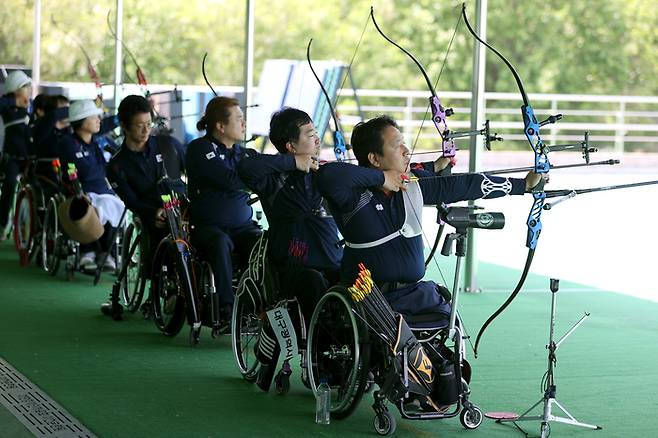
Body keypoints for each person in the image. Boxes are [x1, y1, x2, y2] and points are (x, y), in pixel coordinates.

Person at [316, 115, 545, 320]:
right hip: (367, 299)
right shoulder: (351, 195)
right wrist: (381, 179)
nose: (407, 150)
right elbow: (327, 174)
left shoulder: (413, 183)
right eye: (397, 146)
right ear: (375, 159)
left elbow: (464, 185)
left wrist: (522, 185)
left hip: (413, 296)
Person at [237, 107, 341, 320]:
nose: (318, 140)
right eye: (310, 135)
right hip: (295, 266)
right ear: (291, 146)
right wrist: (294, 162)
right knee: (313, 282)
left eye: (316, 134)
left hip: (333, 261)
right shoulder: (273, 180)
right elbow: (246, 167)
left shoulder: (324, 173)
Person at [185, 96, 262, 332]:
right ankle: (227, 310)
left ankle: (259, 308)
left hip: (243, 227)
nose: (244, 123)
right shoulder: (199, 148)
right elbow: (229, 179)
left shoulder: (243, 153)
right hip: (209, 228)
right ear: (221, 126)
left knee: (261, 244)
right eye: (238, 119)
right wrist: (253, 178)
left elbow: (263, 173)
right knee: (220, 243)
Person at [107, 95, 187, 280]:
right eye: (139, 125)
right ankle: (167, 283)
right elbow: (131, 201)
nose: (146, 130)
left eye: (149, 124)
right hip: (154, 215)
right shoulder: (117, 165)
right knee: (163, 236)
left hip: (182, 208)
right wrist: (154, 212)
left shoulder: (169, 145)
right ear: (125, 126)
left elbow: (193, 171)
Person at [57, 100, 125, 272]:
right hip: (79, 192)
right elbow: (84, 173)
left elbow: (102, 169)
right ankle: (88, 253)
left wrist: (100, 170)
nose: (98, 120)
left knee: (115, 205)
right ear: (82, 120)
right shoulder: (68, 143)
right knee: (101, 205)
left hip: (102, 190)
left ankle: (105, 254)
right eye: (94, 117)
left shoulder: (95, 143)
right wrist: (101, 170)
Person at [0, 71, 32, 239]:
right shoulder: (6, 108)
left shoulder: (30, 108)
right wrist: (15, 100)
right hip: (10, 158)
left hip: (30, 159)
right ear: (16, 90)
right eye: (25, 88)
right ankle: (2, 224)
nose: (29, 91)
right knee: (9, 184)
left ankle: (32, 228)